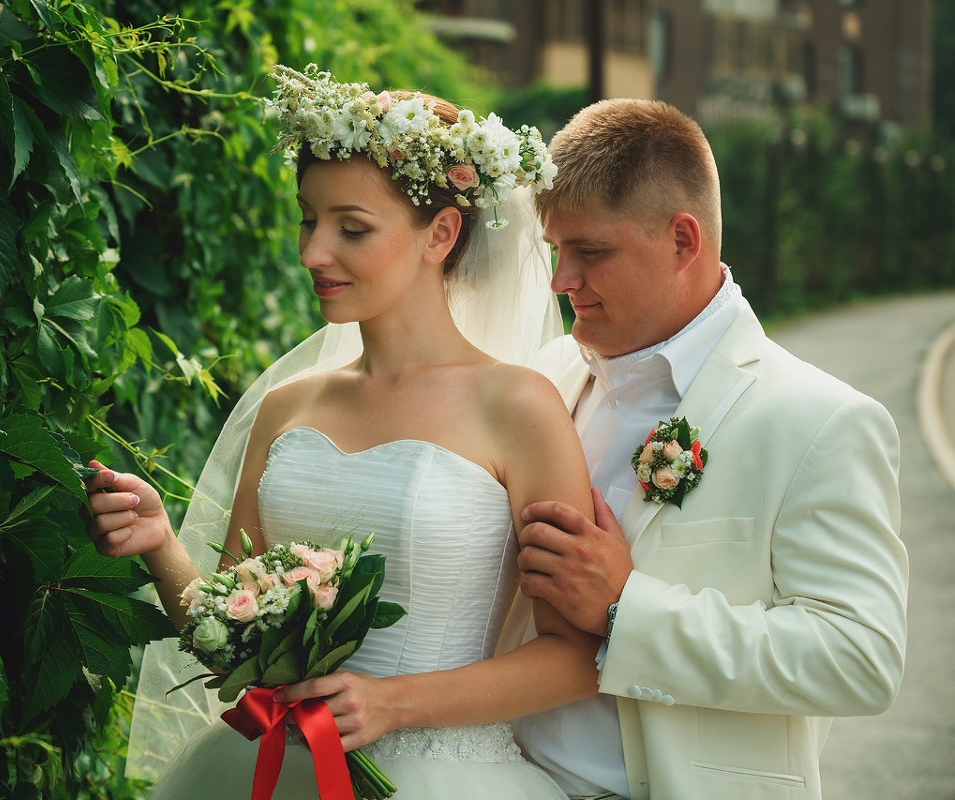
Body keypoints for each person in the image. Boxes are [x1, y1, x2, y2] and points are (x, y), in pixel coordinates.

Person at [84, 65, 602, 798]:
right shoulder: (288, 407)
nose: (311, 253)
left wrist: (395, 702)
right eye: (308, 219)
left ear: (441, 234)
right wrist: (159, 544)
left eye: (351, 229)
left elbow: (575, 656)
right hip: (270, 769)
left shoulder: (518, 407)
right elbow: (235, 638)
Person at [510, 98, 909, 800]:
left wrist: (624, 608)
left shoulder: (823, 421)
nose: (560, 280)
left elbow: (861, 658)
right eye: (555, 251)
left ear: (683, 242)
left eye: (591, 252)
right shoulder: (543, 379)